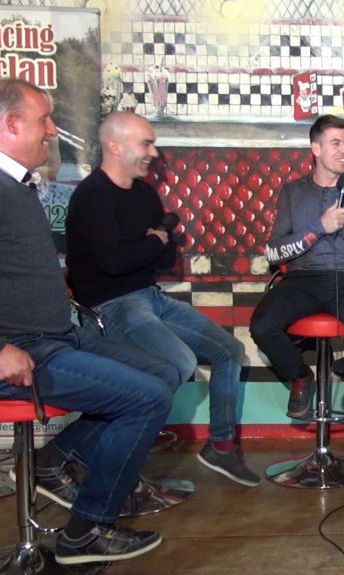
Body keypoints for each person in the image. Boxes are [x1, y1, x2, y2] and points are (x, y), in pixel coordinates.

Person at [0, 79, 175, 565]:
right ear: (12, 124)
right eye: (43, 120)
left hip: (54, 338)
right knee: (147, 397)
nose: (53, 130)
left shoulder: (11, 183)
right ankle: (87, 531)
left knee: (163, 371)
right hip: (7, 353)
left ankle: (54, 461)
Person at [65, 111, 259, 487]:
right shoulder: (92, 196)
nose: (154, 153)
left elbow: (166, 257)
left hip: (150, 297)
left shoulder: (143, 194)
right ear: (114, 146)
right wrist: (153, 241)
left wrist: (151, 244)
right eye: (146, 144)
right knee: (180, 363)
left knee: (229, 351)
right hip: (111, 306)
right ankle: (72, 451)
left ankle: (221, 446)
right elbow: (114, 263)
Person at [249, 114, 344, 487]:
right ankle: (301, 377)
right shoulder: (293, 193)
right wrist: (318, 228)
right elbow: (273, 252)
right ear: (315, 148)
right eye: (336, 143)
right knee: (263, 326)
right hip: (302, 279)